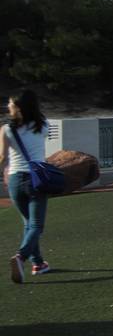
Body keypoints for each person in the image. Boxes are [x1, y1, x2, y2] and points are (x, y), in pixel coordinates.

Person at [0, 90, 52, 283]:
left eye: (11, 104)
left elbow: (3, 157)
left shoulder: (6, 129)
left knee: (28, 223)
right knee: (36, 224)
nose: (8, 107)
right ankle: (21, 257)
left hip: (14, 180)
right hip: (36, 179)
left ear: (19, 108)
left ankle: (38, 263)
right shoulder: (43, 126)